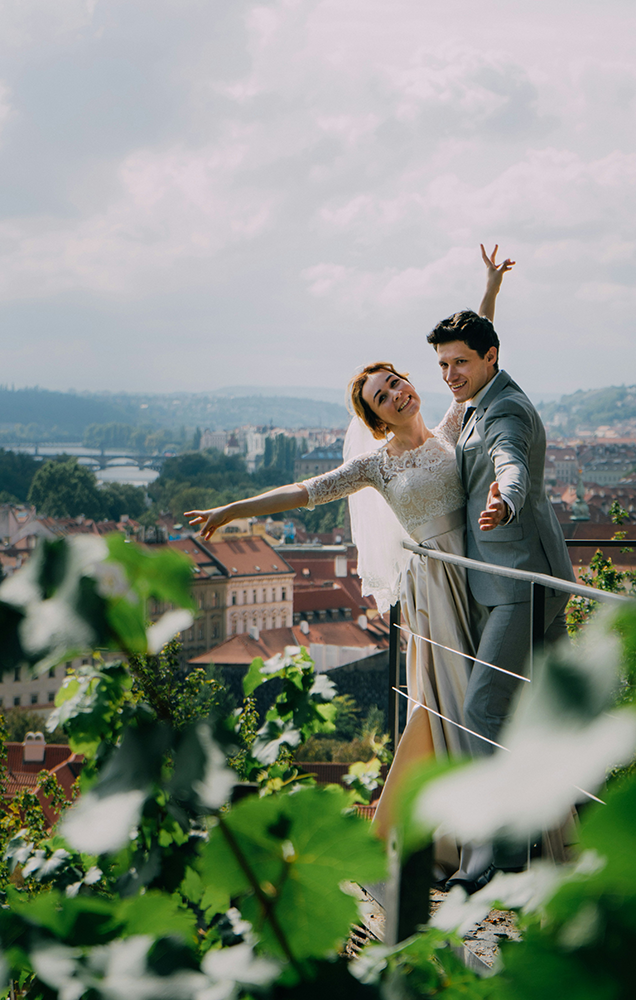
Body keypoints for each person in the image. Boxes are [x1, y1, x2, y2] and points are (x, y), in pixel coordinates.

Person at [184, 253, 512, 885]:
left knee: (481, 698)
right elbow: (301, 492)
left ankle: (426, 826)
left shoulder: (449, 428)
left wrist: (490, 289)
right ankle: (465, 840)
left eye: (395, 382)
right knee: (455, 707)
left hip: (474, 577)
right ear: (375, 417)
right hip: (434, 589)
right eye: (380, 396)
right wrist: (232, 509)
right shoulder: (375, 465)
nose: (394, 393)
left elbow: (477, 353)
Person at [427, 245, 576, 890]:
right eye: (442, 365)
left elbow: (511, 460)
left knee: (487, 706)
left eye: (461, 362)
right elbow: (480, 341)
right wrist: (487, 290)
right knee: (544, 711)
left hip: (522, 585)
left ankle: (501, 850)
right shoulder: (480, 398)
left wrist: (506, 496)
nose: (450, 374)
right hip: (502, 580)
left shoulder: (505, 410)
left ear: (491, 359)